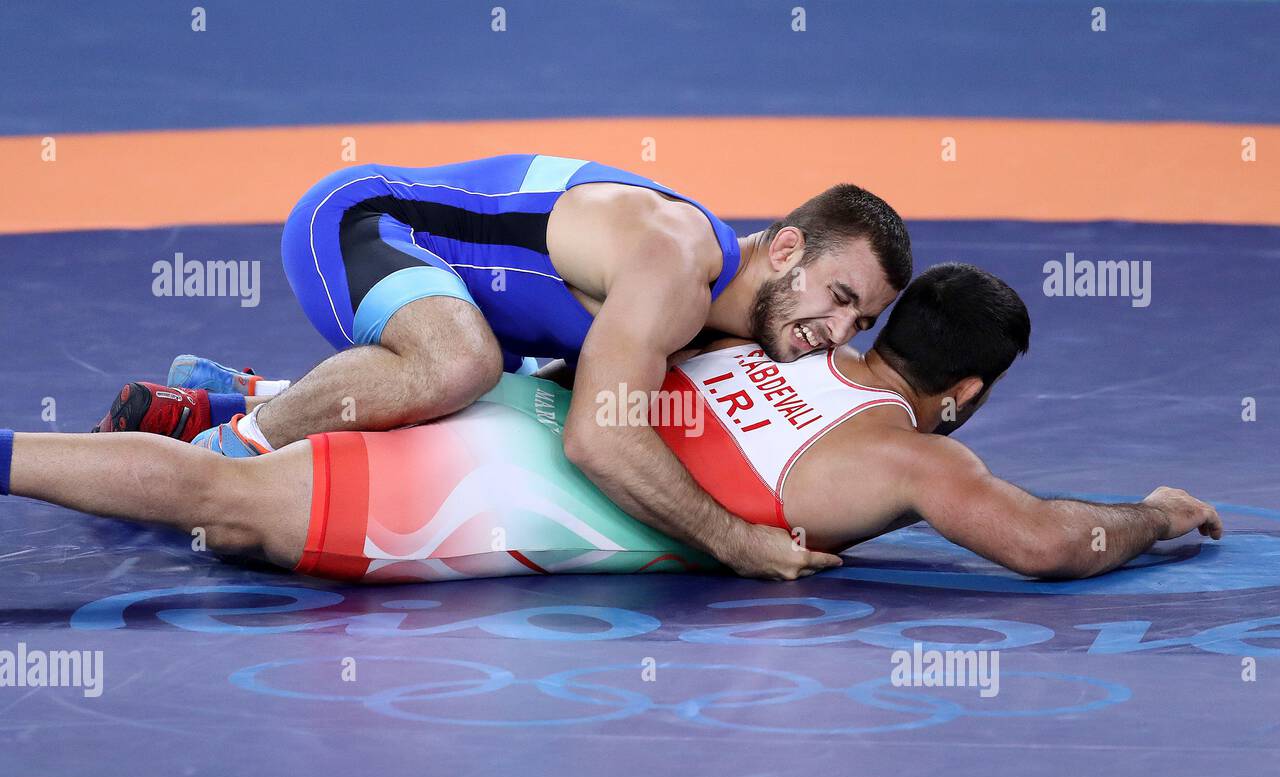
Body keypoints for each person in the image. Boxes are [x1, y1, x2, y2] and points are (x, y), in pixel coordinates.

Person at [11, 264, 1221, 583]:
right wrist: (1155, 518)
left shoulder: (767, 330)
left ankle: (239, 395)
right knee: (224, 512)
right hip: (506, 489)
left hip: (513, 398)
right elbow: (1051, 542)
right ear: (964, 391)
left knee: (247, 497)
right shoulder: (912, 453)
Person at [101, 155, 914, 581]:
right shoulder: (675, 262)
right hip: (360, 219)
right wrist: (738, 543)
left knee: (504, 394)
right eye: (838, 296)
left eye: (862, 322)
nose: (837, 333)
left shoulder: (703, 323)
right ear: (783, 249)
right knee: (461, 362)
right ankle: (225, 450)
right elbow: (598, 441)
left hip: (430, 284)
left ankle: (210, 399)